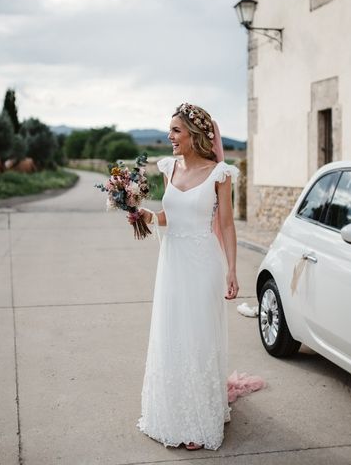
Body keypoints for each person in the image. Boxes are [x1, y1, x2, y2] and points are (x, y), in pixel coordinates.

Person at [133, 103, 239, 450]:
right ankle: (171, 411)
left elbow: (225, 224)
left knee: (197, 336)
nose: (170, 137)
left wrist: (232, 270)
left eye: (176, 130)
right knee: (172, 332)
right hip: (173, 262)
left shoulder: (220, 174)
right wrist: (147, 216)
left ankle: (198, 418)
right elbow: (170, 216)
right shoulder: (168, 168)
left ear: (194, 135)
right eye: (170, 130)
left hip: (203, 261)